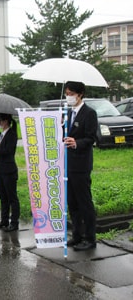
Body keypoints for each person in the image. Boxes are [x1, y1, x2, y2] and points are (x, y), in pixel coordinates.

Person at [63, 81, 98, 251]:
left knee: (84, 202)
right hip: (68, 164)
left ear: (80, 94)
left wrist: (76, 142)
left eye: (70, 93)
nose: (68, 97)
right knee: (73, 202)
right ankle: (77, 235)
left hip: (81, 165)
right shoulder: (68, 113)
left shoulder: (89, 113)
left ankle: (90, 238)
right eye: (66, 93)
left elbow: (91, 138)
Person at [0, 113, 20, 232]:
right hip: (0, 168)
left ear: (5, 121)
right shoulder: (0, 134)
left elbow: (7, 151)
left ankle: (14, 222)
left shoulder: (12, 134)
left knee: (12, 197)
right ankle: (4, 220)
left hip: (9, 170)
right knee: (3, 196)